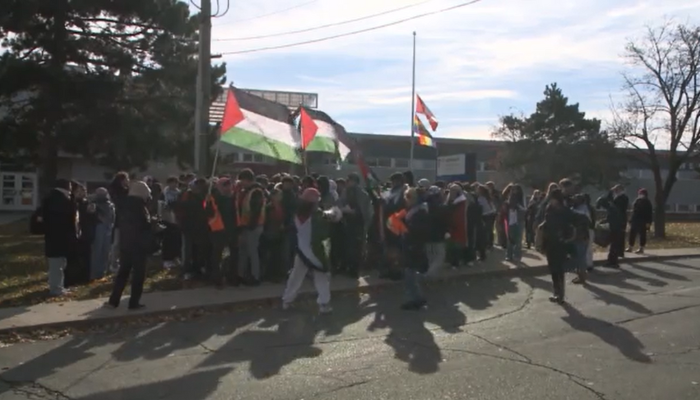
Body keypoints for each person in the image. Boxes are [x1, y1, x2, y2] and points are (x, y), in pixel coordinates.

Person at [281, 188, 342, 313]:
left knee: (296, 277)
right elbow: (326, 228)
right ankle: (324, 304)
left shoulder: (298, 213)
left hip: (301, 250)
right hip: (315, 251)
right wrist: (335, 212)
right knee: (322, 277)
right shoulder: (317, 216)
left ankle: (287, 301)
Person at [107, 181, 154, 309]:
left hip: (126, 243)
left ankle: (113, 300)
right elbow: (143, 225)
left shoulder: (124, 205)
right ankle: (134, 302)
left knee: (123, 273)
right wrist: (153, 226)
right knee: (138, 275)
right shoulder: (140, 207)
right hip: (138, 245)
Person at [42, 179, 78, 296]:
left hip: (53, 236)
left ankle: (57, 285)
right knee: (58, 264)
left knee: (58, 263)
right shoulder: (62, 200)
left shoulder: (50, 198)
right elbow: (68, 219)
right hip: (60, 236)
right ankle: (56, 289)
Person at [541, 189, 575, 304]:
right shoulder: (549, 210)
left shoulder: (564, 211)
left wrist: (565, 238)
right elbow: (547, 225)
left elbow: (569, 226)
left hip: (560, 242)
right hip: (550, 242)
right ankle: (556, 292)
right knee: (552, 268)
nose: (551, 201)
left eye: (553, 199)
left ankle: (561, 294)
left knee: (559, 268)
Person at [236, 168, 266, 286]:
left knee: (252, 251)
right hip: (246, 225)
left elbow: (256, 210)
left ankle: (255, 276)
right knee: (243, 251)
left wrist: (250, 225)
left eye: (242, 180)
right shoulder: (248, 191)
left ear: (247, 179)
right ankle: (241, 274)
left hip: (253, 226)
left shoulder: (256, 192)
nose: (240, 183)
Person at [90, 188, 115, 280]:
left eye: (104, 193)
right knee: (97, 250)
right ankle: (95, 273)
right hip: (99, 227)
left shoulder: (110, 204)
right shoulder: (94, 204)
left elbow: (112, 216)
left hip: (108, 227)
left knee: (106, 250)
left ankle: (102, 272)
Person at [627, 188, 653, 254]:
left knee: (642, 234)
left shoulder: (647, 202)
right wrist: (630, 220)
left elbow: (649, 213)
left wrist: (648, 222)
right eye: (640, 194)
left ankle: (641, 248)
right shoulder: (636, 201)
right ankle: (630, 246)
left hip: (643, 220)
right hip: (635, 220)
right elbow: (633, 211)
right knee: (632, 234)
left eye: (642, 194)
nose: (640, 195)